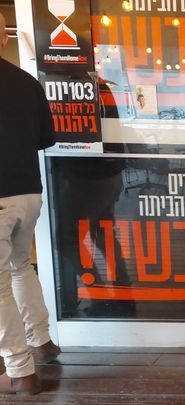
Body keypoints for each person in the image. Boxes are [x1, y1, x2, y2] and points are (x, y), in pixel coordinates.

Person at [0, 11, 61, 395]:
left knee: (0, 283)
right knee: (21, 267)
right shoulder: (24, 81)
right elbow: (44, 139)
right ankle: (42, 342)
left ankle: (20, 371)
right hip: (27, 192)